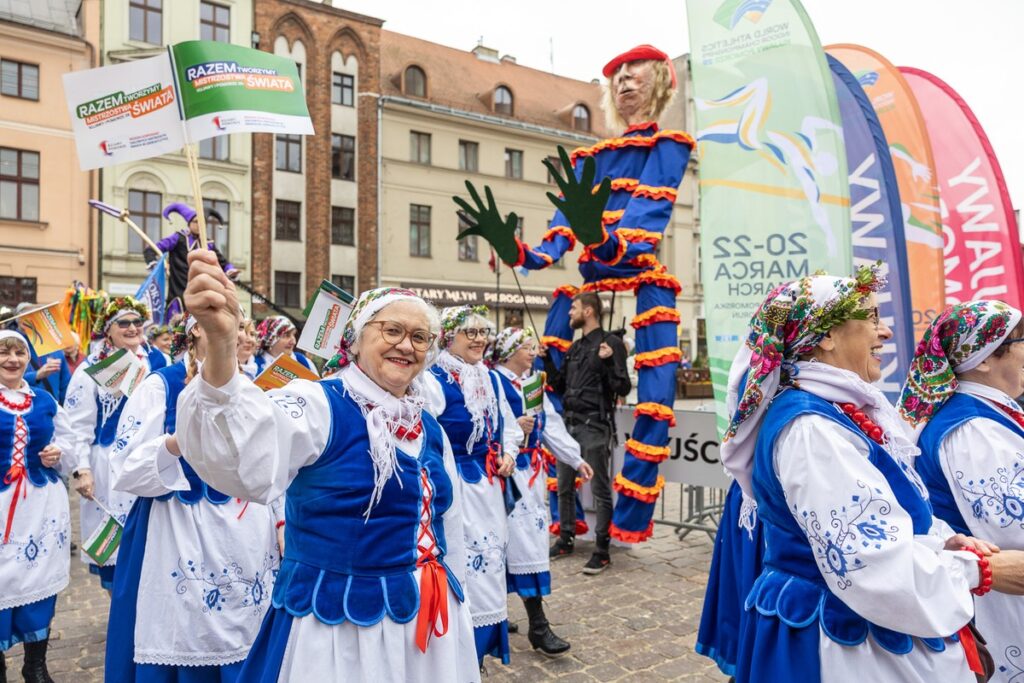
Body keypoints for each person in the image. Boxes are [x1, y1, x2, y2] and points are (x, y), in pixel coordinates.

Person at [175, 248, 478, 681]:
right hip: (342, 631)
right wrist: (222, 349)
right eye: (391, 330)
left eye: (419, 337)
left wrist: (458, 596)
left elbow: (451, 522)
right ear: (355, 339)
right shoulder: (317, 402)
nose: (405, 345)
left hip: (430, 623)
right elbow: (243, 458)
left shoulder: (428, 425)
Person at [721, 266, 1024, 683]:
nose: (884, 333)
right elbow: (867, 561)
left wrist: (942, 539)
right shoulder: (812, 429)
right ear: (826, 336)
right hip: (841, 638)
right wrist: (981, 572)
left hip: (862, 625)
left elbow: (885, 511)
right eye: (871, 318)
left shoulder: (835, 412)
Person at [454, 44, 692, 543]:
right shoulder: (589, 160)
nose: (625, 81)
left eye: (636, 73)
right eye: (617, 75)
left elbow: (642, 231)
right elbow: (549, 249)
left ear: (661, 83)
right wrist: (512, 247)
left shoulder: (668, 146)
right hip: (592, 280)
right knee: (544, 374)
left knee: (656, 395)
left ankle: (626, 519)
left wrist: (600, 236)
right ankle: (560, 509)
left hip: (641, 274)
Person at [104, 314, 283, 682]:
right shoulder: (161, 385)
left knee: (249, 630)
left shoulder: (253, 388)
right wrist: (175, 444)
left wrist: (281, 521)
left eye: (246, 328)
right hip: (179, 530)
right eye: (233, 324)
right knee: (186, 629)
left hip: (246, 533)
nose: (243, 335)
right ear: (198, 329)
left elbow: (273, 464)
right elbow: (124, 467)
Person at [904, 301, 1024, 682]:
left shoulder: (984, 413)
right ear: (984, 359)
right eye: (1021, 339)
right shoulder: (972, 428)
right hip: (996, 601)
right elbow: (1011, 526)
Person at [422, 305, 522, 670]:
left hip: (488, 487)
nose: (480, 339)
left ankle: (478, 652)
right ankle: (457, 653)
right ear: (449, 337)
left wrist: (509, 452)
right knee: (460, 564)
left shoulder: (491, 378)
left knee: (491, 564)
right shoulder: (432, 379)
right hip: (452, 488)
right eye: (471, 333)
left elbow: (509, 426)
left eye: (483, 333)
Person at [491, 327, 592, 656]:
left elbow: (550, 424)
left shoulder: (533, 382)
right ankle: (528, 622)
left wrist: (575, 459)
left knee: (525, 546)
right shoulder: (492, 382)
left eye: (533, 347)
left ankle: (533, 624)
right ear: (508, 352)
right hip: (501, 473)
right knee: (501, 546)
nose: (533, 352)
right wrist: (510, 431)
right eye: (525, 347)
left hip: (530, 474)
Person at [63, 296, 163, 590]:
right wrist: (82, 469)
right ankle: (118, 614)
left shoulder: (159, 359)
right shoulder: (91, 368)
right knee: (114, 544)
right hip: (109, 467)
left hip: (151, 458)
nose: (132, 328)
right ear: (108, 329)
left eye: (137, 322)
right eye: (124, 323)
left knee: (153, 538)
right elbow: (76, 425)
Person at [0, 330, 74, 683]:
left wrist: (58, 453)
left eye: (20, 353)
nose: (12, 359)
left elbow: (71, 442)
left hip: (41, 509)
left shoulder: (44, 399)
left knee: (38, 581)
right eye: (4, 352)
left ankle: (35, 664)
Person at [541, 291, 630, 574]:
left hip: (594, 425)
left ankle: (602, 550)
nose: (570, 313)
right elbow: (559, 385)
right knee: (564, 485)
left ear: (589, 311)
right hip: (569, 426)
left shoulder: (611, 342)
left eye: (574, 308)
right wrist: (545, 361)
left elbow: (623, 387)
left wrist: (608, 361)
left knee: (600, 488)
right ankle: (566, 537)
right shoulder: (575, 348)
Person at [144, 204, 239, 319]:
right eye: (195, 221)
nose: (199, 225)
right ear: (189, 223)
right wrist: (153, 262)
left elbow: (224, 263)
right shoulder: (178, 238)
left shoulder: (208, 244)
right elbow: (152, 249)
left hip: (201, 291)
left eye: (202, 222)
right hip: (179, 290)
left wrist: (230, 271)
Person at [253, 316, 318, 377]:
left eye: (294, 335)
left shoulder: (302, 360)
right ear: (270, 339)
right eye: (286, 335)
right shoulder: (255, 365)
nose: (293, 342)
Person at [237, 314, 258, 380]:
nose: (250, 340)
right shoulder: (223, 370)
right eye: (244, 333)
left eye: (252, 334)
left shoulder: (258, 368)